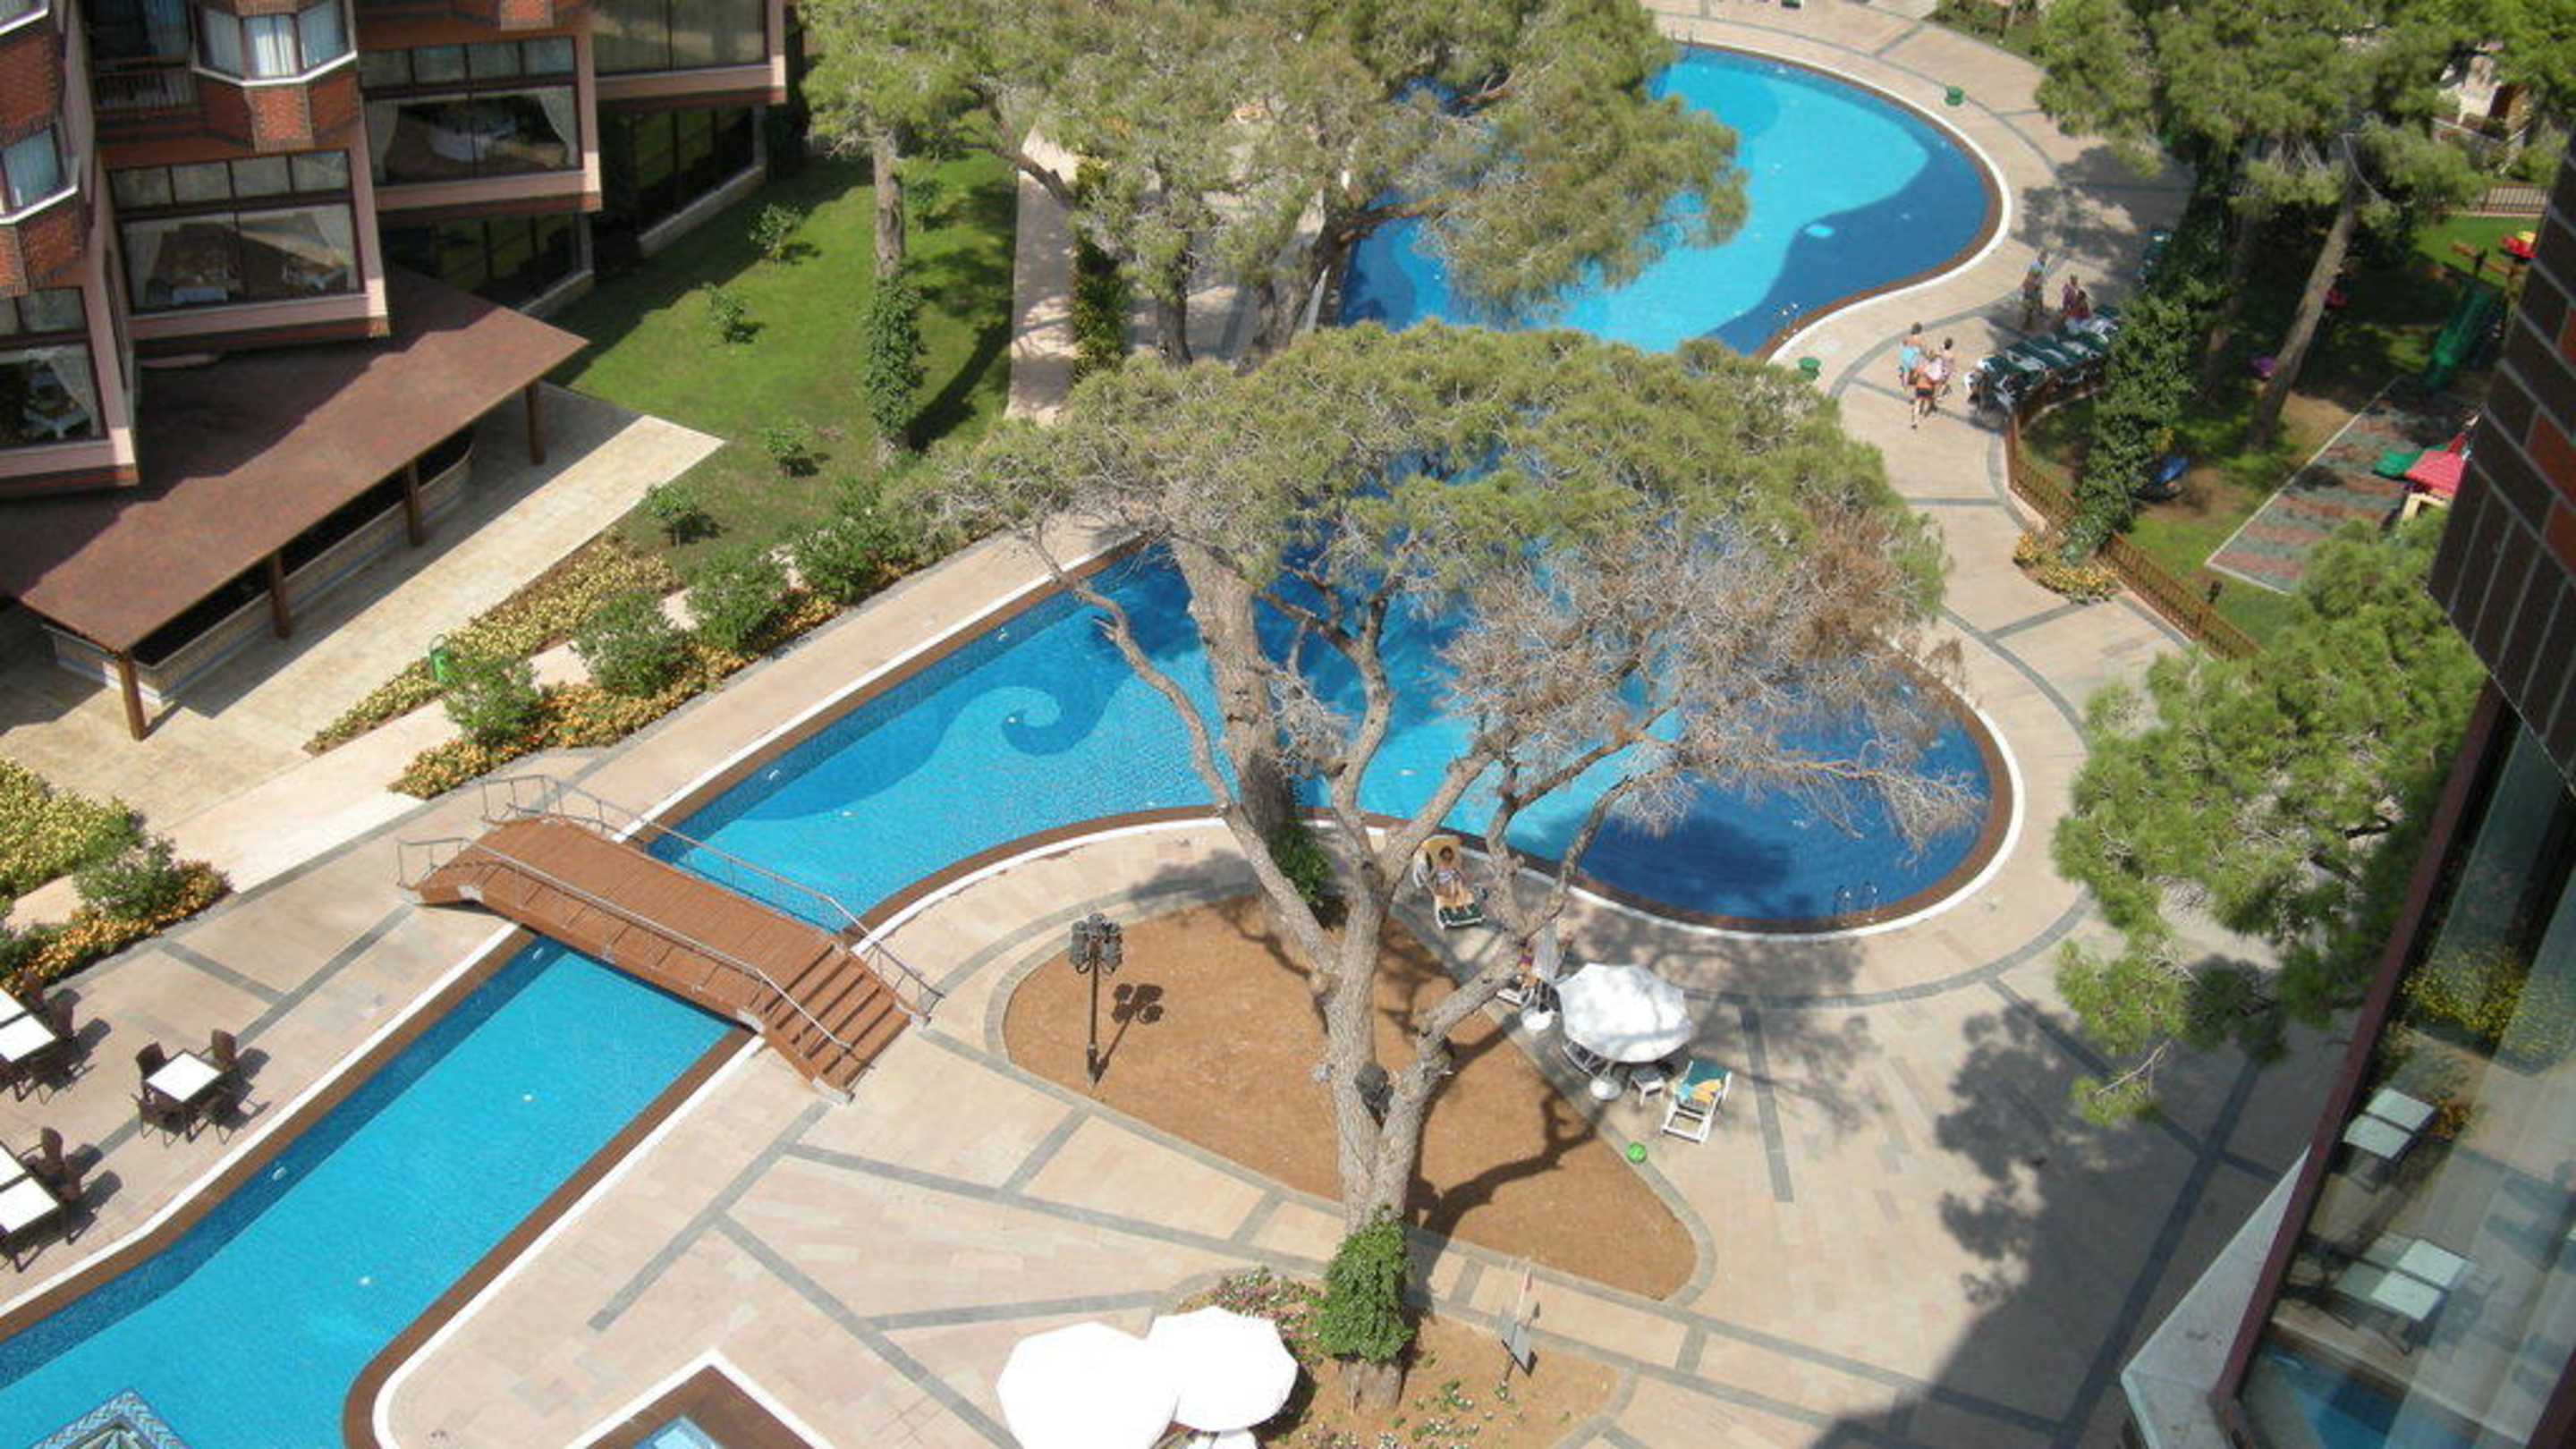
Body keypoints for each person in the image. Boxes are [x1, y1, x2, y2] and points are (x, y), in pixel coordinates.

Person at [1895, 322, 1924, 390]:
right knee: (1921, 368)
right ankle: (1919, 383)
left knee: (1906, 373)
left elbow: (1901, 344)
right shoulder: (1920, 339)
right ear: (1920, 331)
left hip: (1906, 358)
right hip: (1914, 360)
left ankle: (1904, 387)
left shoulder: (1908, 337)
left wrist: (1903, 351)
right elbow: (1923, 349)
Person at [2020, 258, 2046, 330]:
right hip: (2030, 297)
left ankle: (2027, 324)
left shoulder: (2032, 277)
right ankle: (2027, 325)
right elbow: (2029, 287)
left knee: (2030, 312)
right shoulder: (2033, 278)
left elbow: (2025, 286)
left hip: (2030, 297)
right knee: (2029, 312)